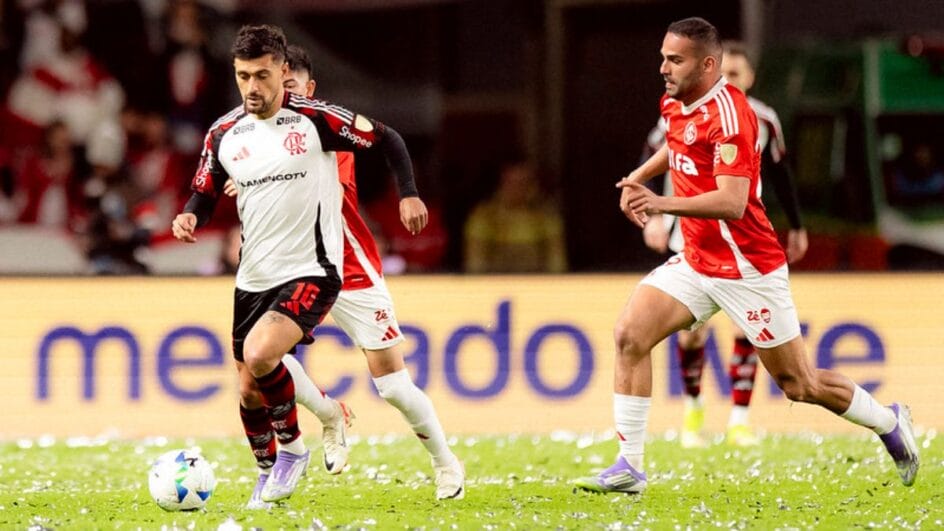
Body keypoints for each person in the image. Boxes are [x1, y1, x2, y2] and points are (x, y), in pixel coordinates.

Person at [574, 17, 919, 495]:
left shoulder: (735, 117)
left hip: (748, 267)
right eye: (663, 57)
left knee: (800, 384)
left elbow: (732, 202)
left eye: (674, 60)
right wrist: (639, 176)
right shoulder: (677, 100)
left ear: (708, 64)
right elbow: (677, 147)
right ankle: (629, 467)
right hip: (697, 260)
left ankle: (888, 420)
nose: (663, 68)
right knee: (630, 335)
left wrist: (660, 202)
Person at [171, 25, 431, 507]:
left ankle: (293, 449)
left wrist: (409, 194)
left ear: (282, 72)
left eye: (263, 75)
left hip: (312, 269)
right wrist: (191, 212)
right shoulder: (224, 132)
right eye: (243, 76)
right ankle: (268, 469)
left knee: (262, 353)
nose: (253, 87)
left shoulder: (317, 120)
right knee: (249, 390)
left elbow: (388, 138)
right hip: (253, 277)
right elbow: (205, 187)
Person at [221, 44, 465, 503]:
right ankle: (330, 415)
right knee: (261, 357)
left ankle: (445, 460)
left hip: (348, 268)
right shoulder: (250, 134)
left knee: (392, 384)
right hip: (291, 270)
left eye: (289, 87)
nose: (278, 98)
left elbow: (349, 154)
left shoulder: (323, 129)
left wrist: (408, 191)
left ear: (308, 91)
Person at [641, 41, 809, 448]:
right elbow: (655, 154)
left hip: (742, 242)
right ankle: (693, 411)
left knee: (746, 330)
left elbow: (781, 174)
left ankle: (739, 419)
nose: (728, 81)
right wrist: (656, 216)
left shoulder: (762, 119)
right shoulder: (681, 111)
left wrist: (797, 226)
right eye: (724, 73)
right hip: (691, 236)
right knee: (690, 335)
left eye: (736, 75)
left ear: (750, 78)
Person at [463, 156, 567, 273]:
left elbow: (557, 263)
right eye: (511, 183)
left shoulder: (546, 216)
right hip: (496, 286)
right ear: (501, 184)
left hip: (536, 285)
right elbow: (475, 265)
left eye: (523, 183)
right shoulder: (484, 217)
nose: (517, 189)